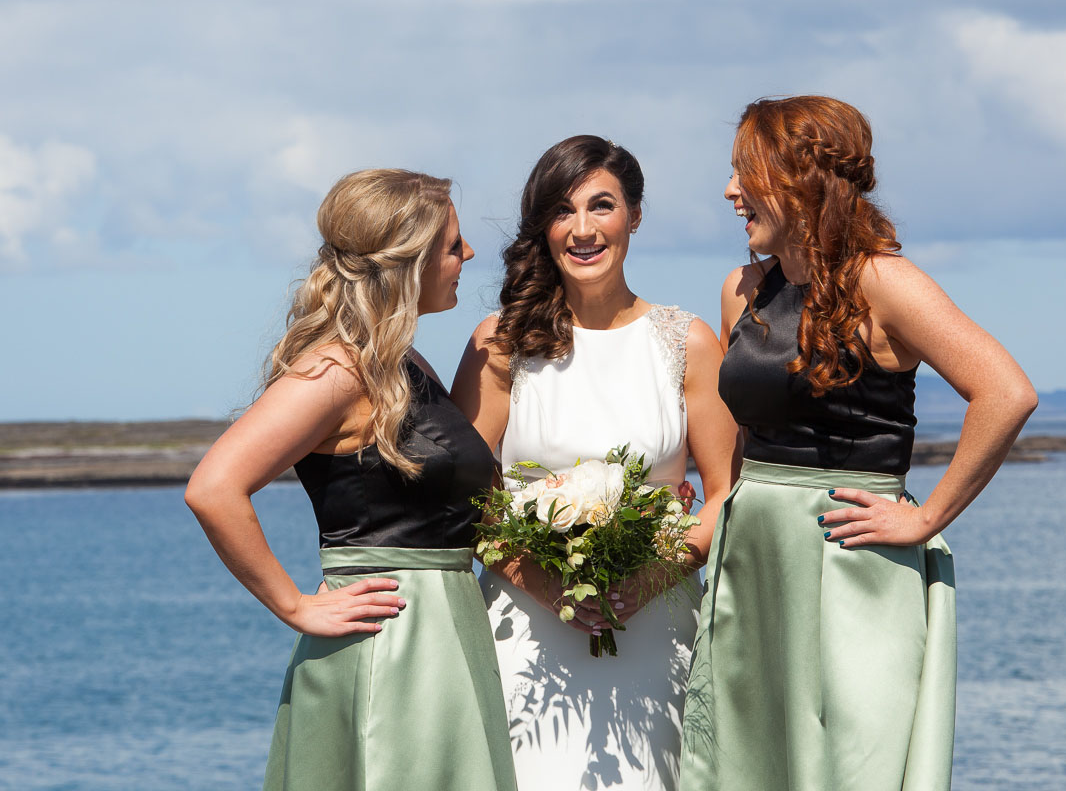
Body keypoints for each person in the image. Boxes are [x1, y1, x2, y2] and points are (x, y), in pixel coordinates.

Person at [681, 96, 1039, 791]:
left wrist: (927, 516)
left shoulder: (885, 281)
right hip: (753, 553)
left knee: (852, 758)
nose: (729, 192)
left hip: (848, 553)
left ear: (800, 178)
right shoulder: (743, 289)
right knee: (751, 756)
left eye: (743, 173)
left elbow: (1006, 392)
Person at [185, 169, 517, 791]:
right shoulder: (338, 368)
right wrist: (294, 605)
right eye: (452, 245)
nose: (468, 255)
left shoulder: (400, 361)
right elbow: (213, 487)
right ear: (407, 263)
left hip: (447, 633)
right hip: (391, 645)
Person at [452, 135, 739, 791]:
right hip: (523, 628)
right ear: (543, 228)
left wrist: (646, 581)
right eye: (562, 211)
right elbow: (463, 496)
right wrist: (548, 588)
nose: (582, 229)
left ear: (633, 215)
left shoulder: (687, 342)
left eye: (601, 206)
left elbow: (726, 490)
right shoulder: (502, 344)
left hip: (657, 625)